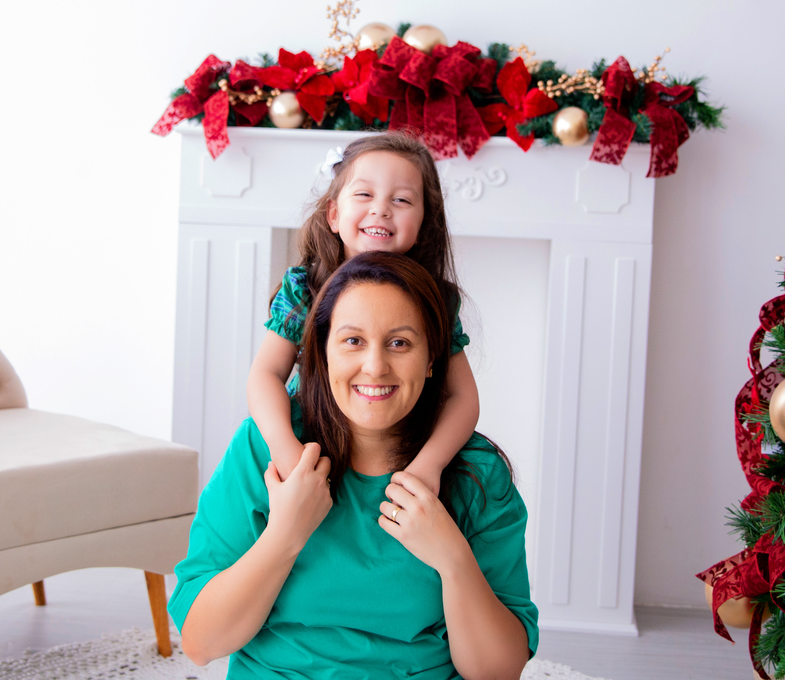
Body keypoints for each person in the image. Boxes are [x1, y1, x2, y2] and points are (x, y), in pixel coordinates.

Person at [170, 251, 537, 679]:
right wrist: (284, 534)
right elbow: (202, 643)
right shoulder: (262, 447)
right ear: (323, 353)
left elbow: (497, 672)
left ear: (432, 360)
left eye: (400, 343)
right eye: (353, 341)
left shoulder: (476, 471)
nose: (375, 367)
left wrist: (452, 559)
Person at [248, 132, 479, 497]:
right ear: (334, 215)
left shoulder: (436, 300)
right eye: (364, 194)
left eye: (401, 199)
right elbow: (265, 374)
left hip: (398, 450)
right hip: (313, 446)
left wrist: (429, 465)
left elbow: (463, 397)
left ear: (423, 225)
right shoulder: (304, 289)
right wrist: (285, 448)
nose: (381, 209)